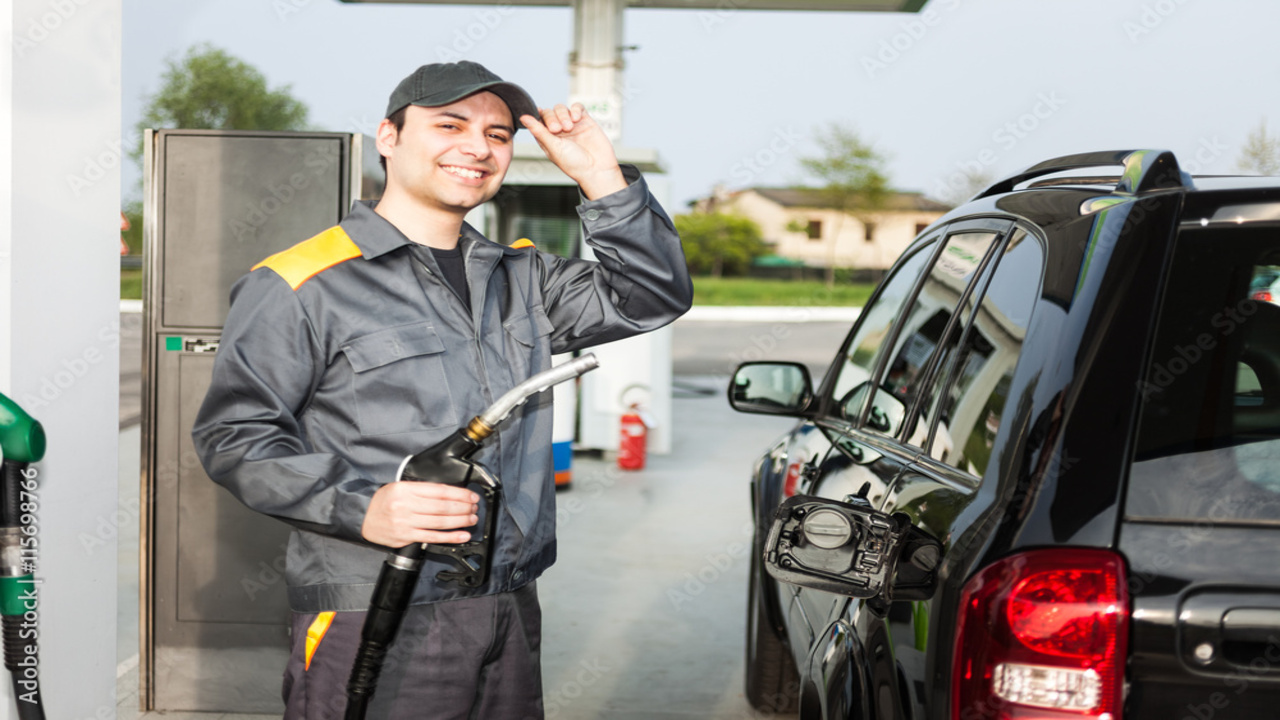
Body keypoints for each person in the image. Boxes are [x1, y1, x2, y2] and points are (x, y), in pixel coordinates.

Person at [192, 60, 693, 719]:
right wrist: (360, 506)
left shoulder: (523, 278)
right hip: (374, 601)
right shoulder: (301, 282)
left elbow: (653, 295)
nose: (478, 147)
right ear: (389, 137)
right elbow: (234, 434)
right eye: (450, 124)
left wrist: (601, 176)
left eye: (499, 134)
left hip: (507, 602)